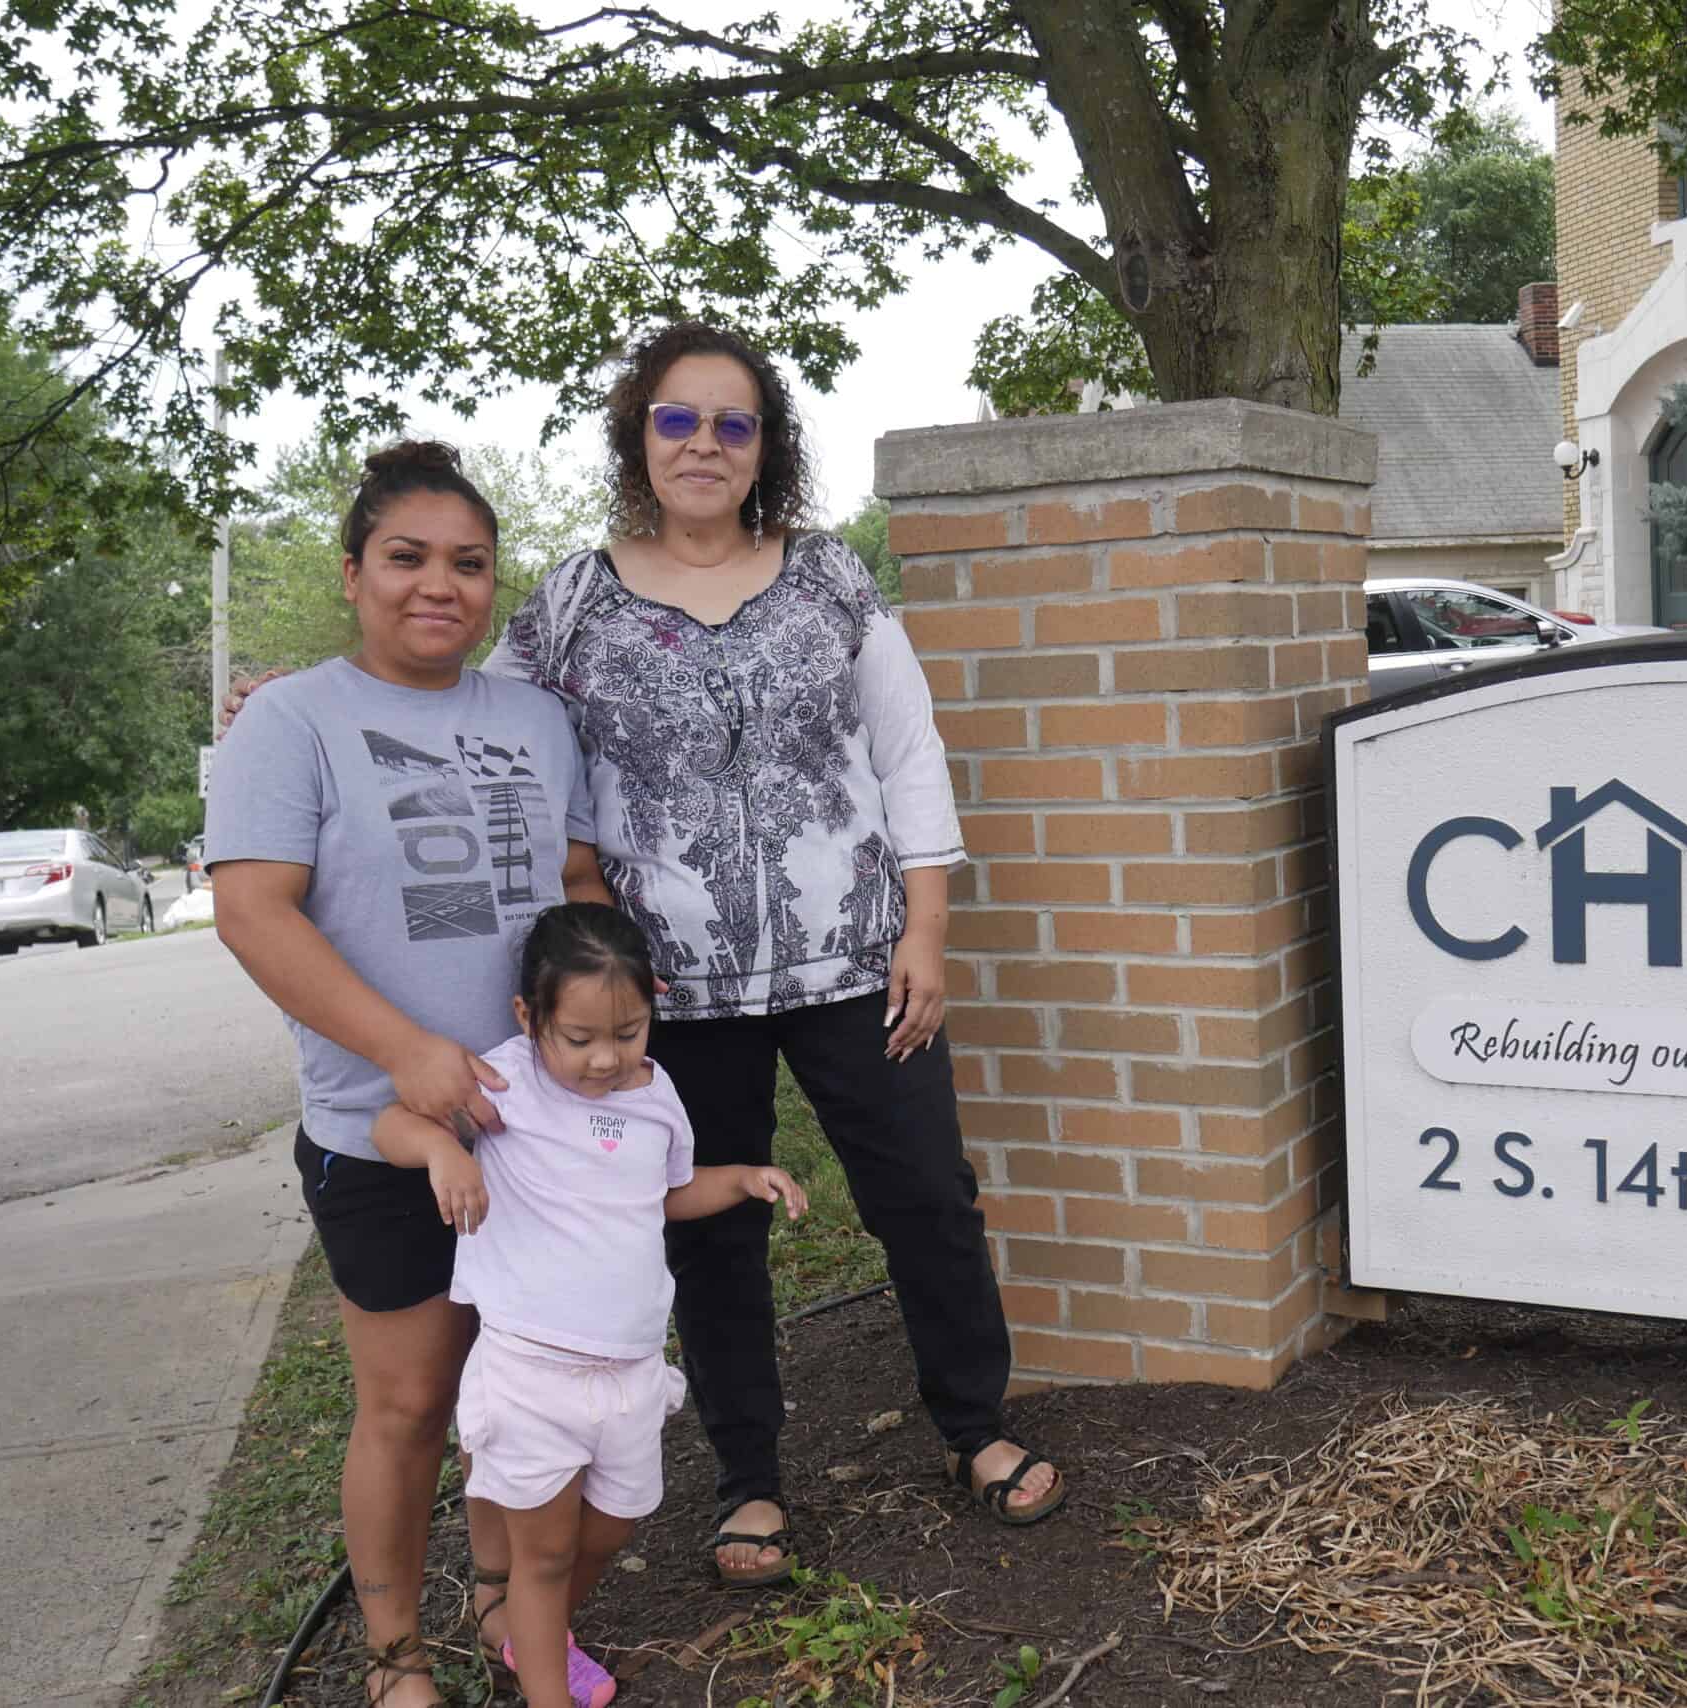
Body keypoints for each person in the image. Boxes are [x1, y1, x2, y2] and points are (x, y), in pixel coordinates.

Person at [224, 325, 1066, 1588]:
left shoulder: (833, 577)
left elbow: (909, 754)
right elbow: (440, 685)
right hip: (663, 998)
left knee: (926, 1200)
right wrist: (296, 697)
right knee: (706, 1235)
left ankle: (974, 1426)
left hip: (855, 966)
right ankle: (750, 1481)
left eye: (733, 424)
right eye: (678, 420)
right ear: (640, 437)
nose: (705, 445)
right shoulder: (570, 599)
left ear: (764, 447)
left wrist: (927, 929)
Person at [207, 442, 617, 1707]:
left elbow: (578, 887)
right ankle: (393, 1663)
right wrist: (406, 1052)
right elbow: (254, 913)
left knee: (524, 1388)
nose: (439, 584)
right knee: (412, 1401)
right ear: (352, 573)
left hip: (539, 1135)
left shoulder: (537, 718)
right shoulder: (290, 720)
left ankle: (507, 1606)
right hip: (380, 1130)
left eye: (468, 563)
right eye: (407, 557)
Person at [373, 903, 807, 1708]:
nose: (606, 1059)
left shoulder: (657, 1094)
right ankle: (544, 1682)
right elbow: (389, 1123)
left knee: (609, 1529)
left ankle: (532, 1639)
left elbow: (667, 1195)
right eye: (579, 1039)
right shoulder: (504, 1080)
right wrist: (441, 1151)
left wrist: (745, 1178)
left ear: (653, 1005)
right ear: (528, 1017)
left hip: (632, 1371)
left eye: (629, 1031)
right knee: (541, 1556)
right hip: (531, 1373)